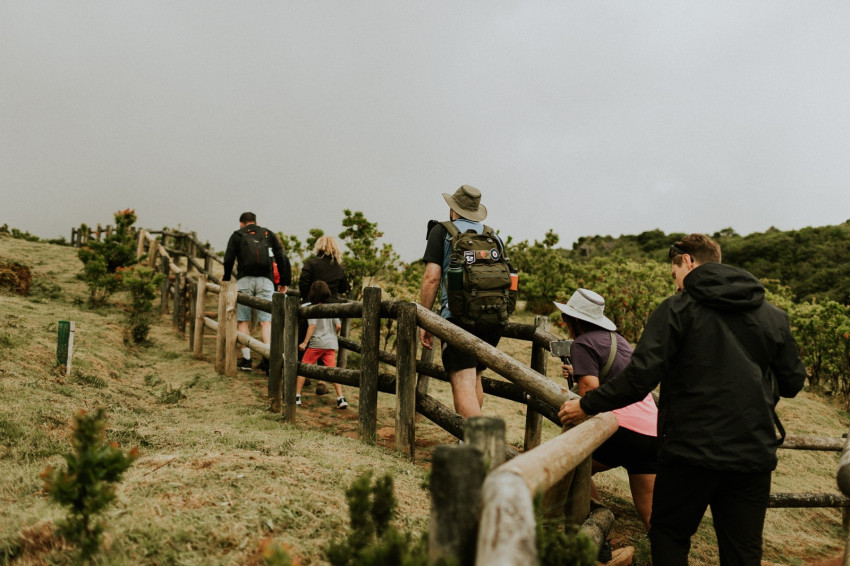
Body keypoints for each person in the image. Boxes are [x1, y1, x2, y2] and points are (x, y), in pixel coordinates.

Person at [558, 233, 807, 566]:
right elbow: (792, 383)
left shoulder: (677, 309)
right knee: (743, 551)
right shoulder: (773, 316)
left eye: (674, 270)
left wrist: (585, 404)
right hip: (752, 454)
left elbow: (638, 380)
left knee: (670, 536)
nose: (674, 280)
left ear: (687, 260)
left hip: (690, 451)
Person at [554, 288, 658, 530]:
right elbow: (620, 378)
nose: (564, 322)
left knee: (573, 468)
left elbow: (590, 390)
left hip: (620, 429)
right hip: (651, 432)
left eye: (566, 318)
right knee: (652, 514)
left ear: (575, 320)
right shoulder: (619, 341)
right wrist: (577, 372)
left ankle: (597, 528)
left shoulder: (582, 343)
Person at [419, 185, 507, 418]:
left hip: (458, 318)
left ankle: (475, 447)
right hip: (492, 319)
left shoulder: (442, 231)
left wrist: (425, 320)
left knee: (463, 382)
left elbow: (431, 278)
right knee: (475, 375)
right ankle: (467, 440)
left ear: (453, 209)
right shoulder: (493, 235)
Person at [222, 212, 291, 373]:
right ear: (255, 222)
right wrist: (283, 281)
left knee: (243, 321)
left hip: (244, 280)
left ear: (241, 223)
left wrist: (226, 278)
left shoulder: (237, 235)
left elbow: (228, 258)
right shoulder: (267, 233)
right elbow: (280, 256)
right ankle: (268, 359)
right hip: (266, 281)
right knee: (266, 322)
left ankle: (246, 360)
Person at [297, 236, 350, 395]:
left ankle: (305, 374)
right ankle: (321, 381)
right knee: (326, 343)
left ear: (318, 246)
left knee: (305, 341)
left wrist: (307, 298)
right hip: (331, 309)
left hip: (311, 307)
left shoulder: (311, 263)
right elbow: (344, 287)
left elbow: (303, 283)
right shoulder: (339, 267)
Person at [296, 281, 347, 409]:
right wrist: (331, 334)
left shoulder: (312, 309)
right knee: (333, 371)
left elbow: (312, 326)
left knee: (303, 368)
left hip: (316, 344)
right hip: (330, 344)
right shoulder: (332, 307)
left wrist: (304, 342)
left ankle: (296, 396)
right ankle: (340, 398)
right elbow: (338, 325)